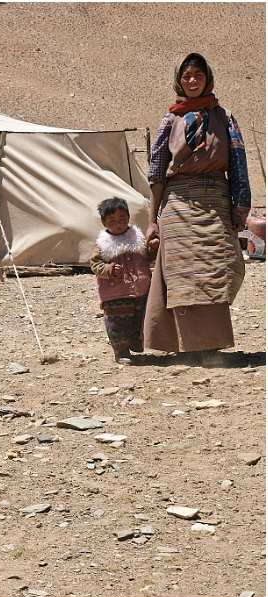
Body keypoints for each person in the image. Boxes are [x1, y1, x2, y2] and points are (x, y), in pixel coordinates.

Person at [144, 52, 250, 360]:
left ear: (208, 79)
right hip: (177, 205)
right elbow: (156, 171)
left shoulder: (224, 117)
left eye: (198, 76)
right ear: (179, 80)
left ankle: (212, 344)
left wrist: (239, 207)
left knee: (217, 268)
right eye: (187, 76)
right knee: (181, 274)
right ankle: (185, 346)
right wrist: (153, 217)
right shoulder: (171, 120)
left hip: (216, 202)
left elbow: (238, 165)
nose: (192, 81)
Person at [90, 197, 155, 365]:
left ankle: (135, 344)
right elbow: (95, 264)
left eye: (122, 219)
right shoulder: (102, 244)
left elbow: (147, 257)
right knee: (118, 322)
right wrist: (108, 270)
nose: (118, 224)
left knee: (138, 318)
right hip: (115, 293)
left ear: (128, 217)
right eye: (112, 221)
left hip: (140, 289)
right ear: (104, 222)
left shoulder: (137, 238)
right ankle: (121, 351)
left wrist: (153, 248)